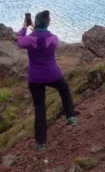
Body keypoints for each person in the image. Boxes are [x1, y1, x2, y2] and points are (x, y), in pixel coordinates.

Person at [17, 10, 77, 151]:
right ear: (48, 23)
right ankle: (71, 116)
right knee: (64, 89)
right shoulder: (54, 39)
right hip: (53, 75)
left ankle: (41, 143)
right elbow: (44, 39)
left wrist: (25, 27)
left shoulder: (30, 39)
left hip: (35, 78)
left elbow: (20, 41)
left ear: (36, 23)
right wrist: (37, 29)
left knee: (40, 108)